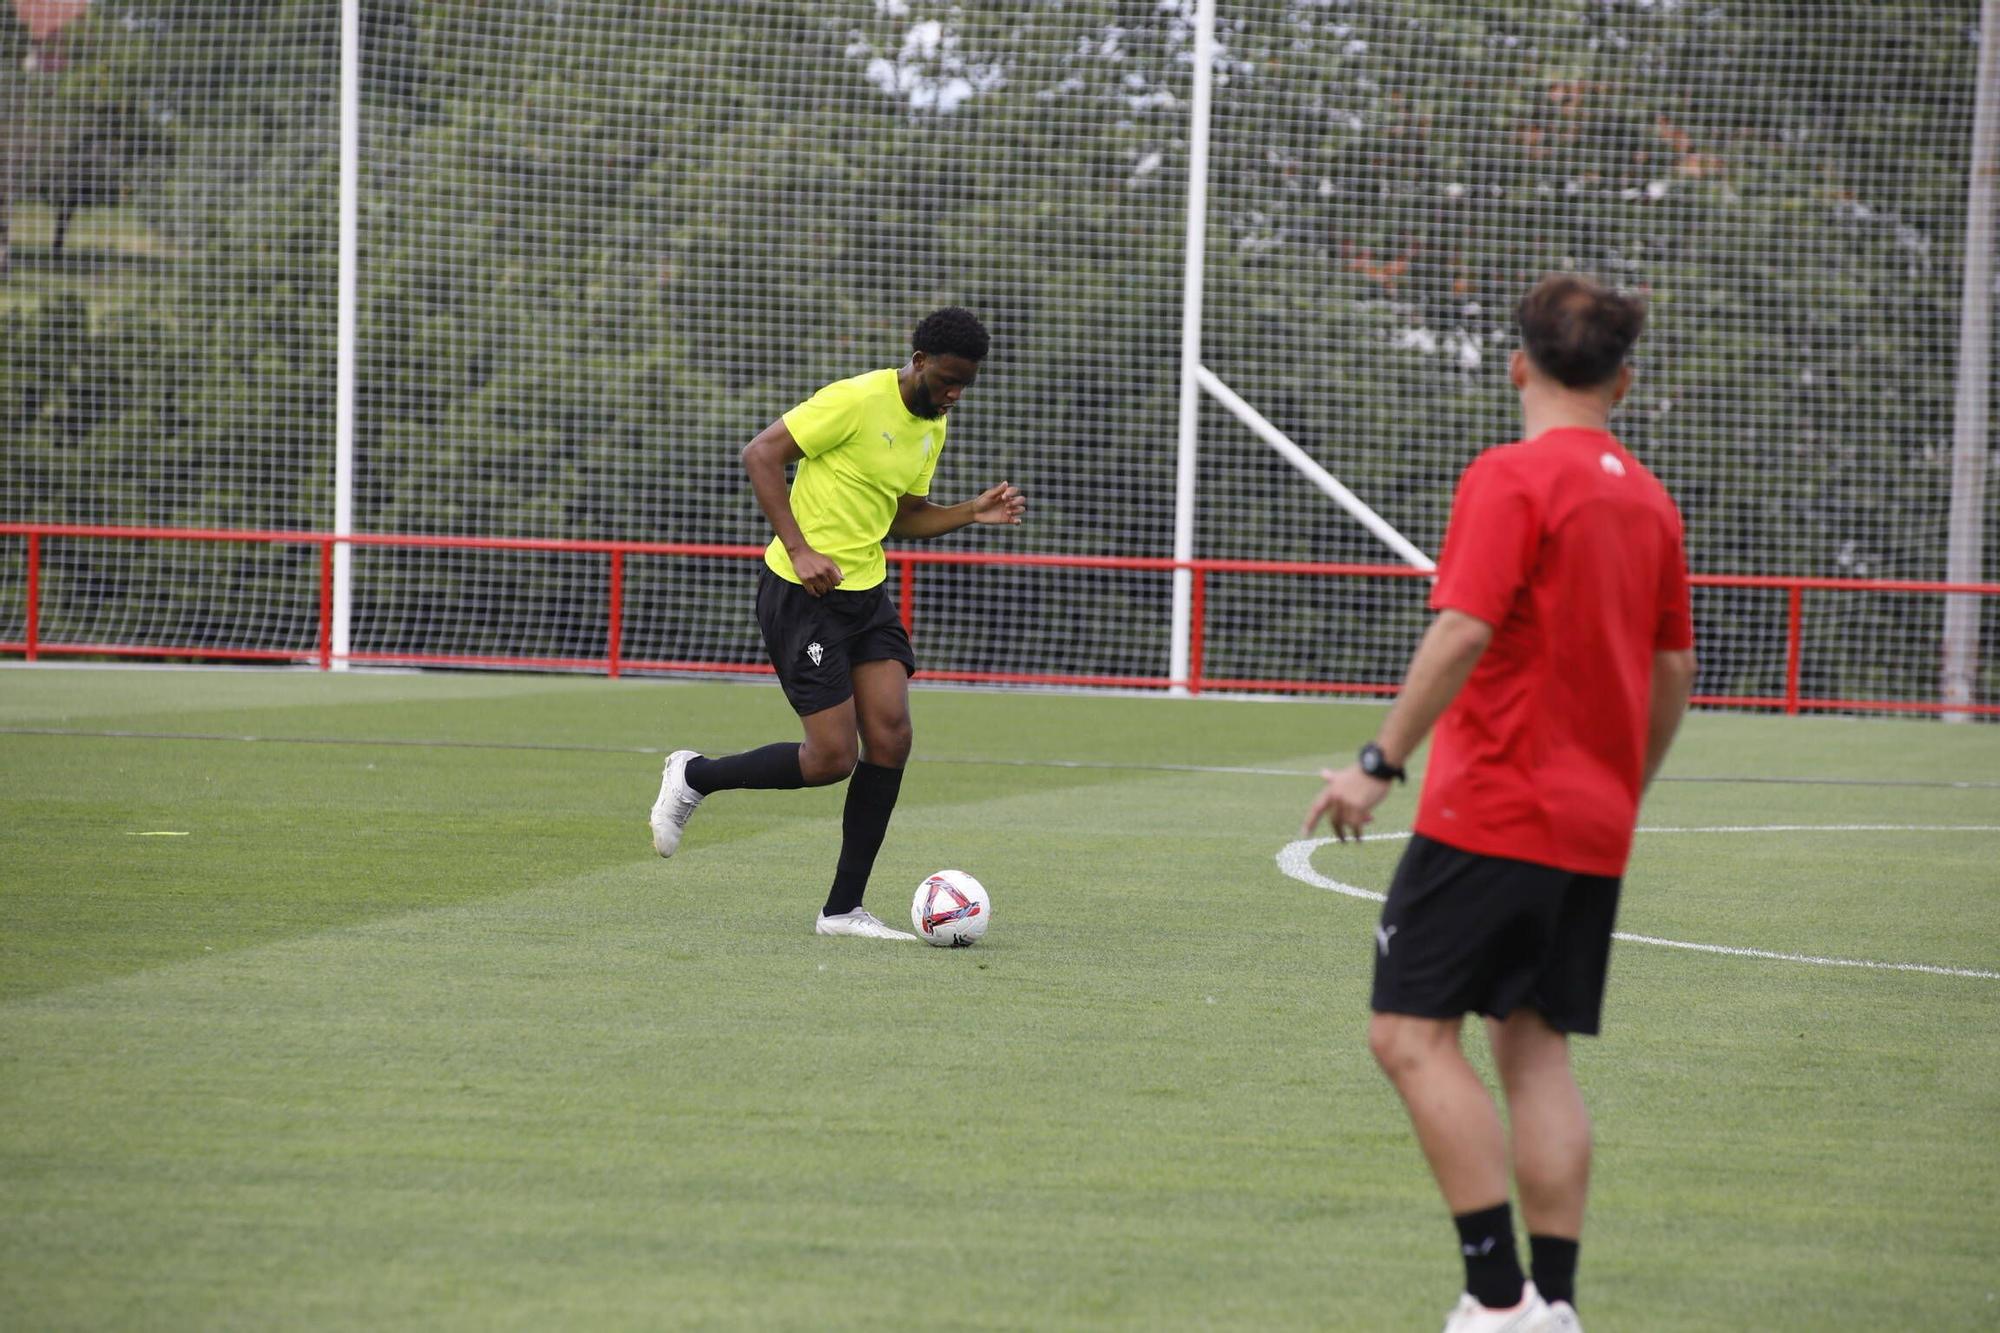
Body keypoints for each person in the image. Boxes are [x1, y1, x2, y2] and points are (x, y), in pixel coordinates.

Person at [1301, 274, 1697, 1333]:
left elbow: (1463, 627)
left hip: (1491, 812)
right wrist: (1622, 789)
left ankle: (1494, 1298)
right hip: (1588, 824)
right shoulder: (1647, 498)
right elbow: (1672, 673)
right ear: (1619, 380)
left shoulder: (1509, 477)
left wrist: (1376, 762)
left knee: (1407, 1037)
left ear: (1517, 365)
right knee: (1533, 1046)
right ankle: (1553, 1306)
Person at [649, 307, 1026, 939]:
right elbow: (761, 454)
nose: (956, 394)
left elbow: (900, 515)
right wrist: (799, 548)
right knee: (830, 759)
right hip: (802, 592)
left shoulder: (933, 428)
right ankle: (694, 775)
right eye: (948, 381)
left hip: (865, 594)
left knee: (892, 738)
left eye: (967, 384)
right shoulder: (854, 400)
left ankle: (842, 910)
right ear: (920, 361)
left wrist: (969, 513)